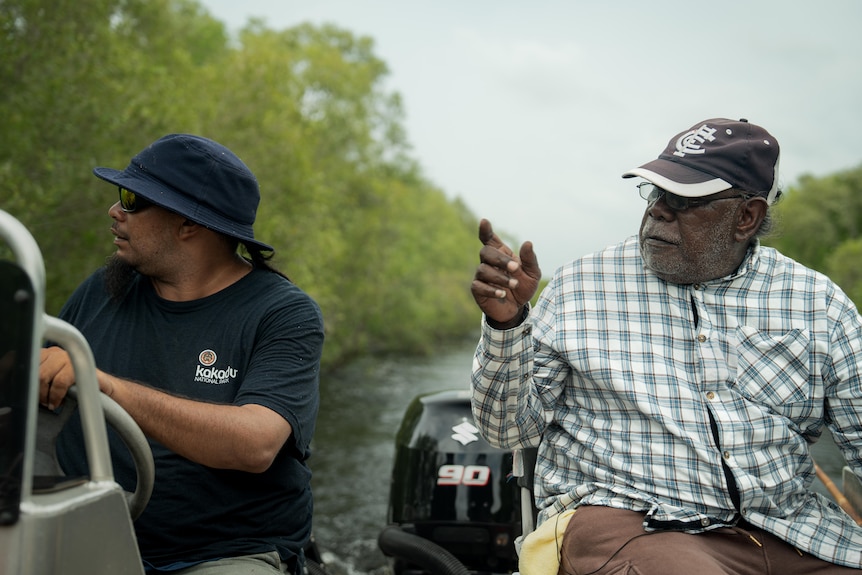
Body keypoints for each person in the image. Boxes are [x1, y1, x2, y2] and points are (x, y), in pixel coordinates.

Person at [470, 117, 862, 573]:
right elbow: (507, 431)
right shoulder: (579, 287)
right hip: (634, 525)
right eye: (655, 193)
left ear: (747, 216)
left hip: (787, 530)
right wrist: (508, 326)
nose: (658, 210)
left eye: (683, 200)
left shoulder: (818, 303)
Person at [38, 134, 325, 574]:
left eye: (131, 199)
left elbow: (255, 444)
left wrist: (107, 386)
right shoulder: (102, 289)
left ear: (189, 224)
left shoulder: (284, 313)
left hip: (225, 553)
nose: (114, 212)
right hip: (88, 534)